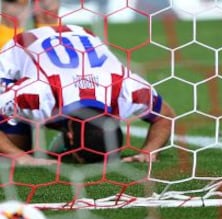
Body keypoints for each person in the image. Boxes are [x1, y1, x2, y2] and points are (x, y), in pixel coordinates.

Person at [0, 24, 175, 165]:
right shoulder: (36, 95)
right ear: (70, 135)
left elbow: (165, 116)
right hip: (21, 48)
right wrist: (22, 157)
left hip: (80, 34)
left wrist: (148, 152)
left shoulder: (127, 89)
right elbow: (165, 116)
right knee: (16, 147)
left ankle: (71, 136)